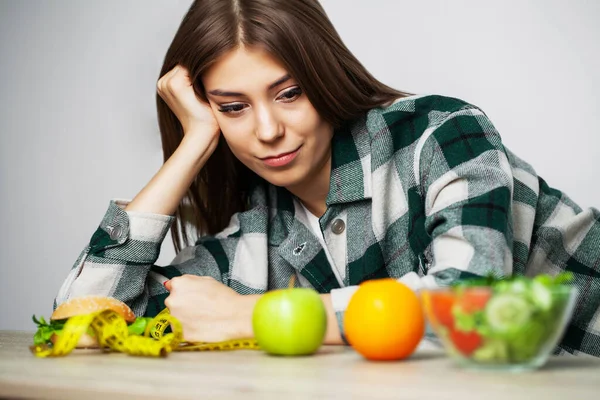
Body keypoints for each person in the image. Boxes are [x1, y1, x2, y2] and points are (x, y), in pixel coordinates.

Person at [54, 0, 599, 356]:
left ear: (323, 73)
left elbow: (472, 305)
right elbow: (81, 327)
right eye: (233, 107)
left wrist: (255, 315)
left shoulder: (442, 134)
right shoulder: (259, 235)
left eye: (288, 93)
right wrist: (190, 147)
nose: (268, 129)